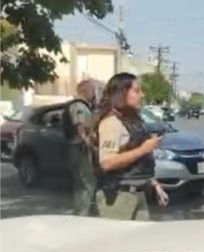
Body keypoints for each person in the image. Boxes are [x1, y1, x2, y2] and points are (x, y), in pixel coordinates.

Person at [93, 72, 168, 220]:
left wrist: (154, 184)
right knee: (118, 241)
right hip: (118, 197)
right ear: (122, 93)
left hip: (139, 193)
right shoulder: (111, 123)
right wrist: (143, 149)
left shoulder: (134, 122)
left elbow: (140, 162)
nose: (142, 95)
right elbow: (107, 163)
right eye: (136, 91)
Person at [63, 80, 97, 216]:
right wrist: (85, 139)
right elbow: (80, 123)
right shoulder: (79, 106)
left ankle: (80, 210)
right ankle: (82, 213)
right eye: (93, 91)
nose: (94, 94)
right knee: (86, 182)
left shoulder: (81, 105)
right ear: (86, 90)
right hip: (79, 147)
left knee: (80, 183)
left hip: (76, 146)